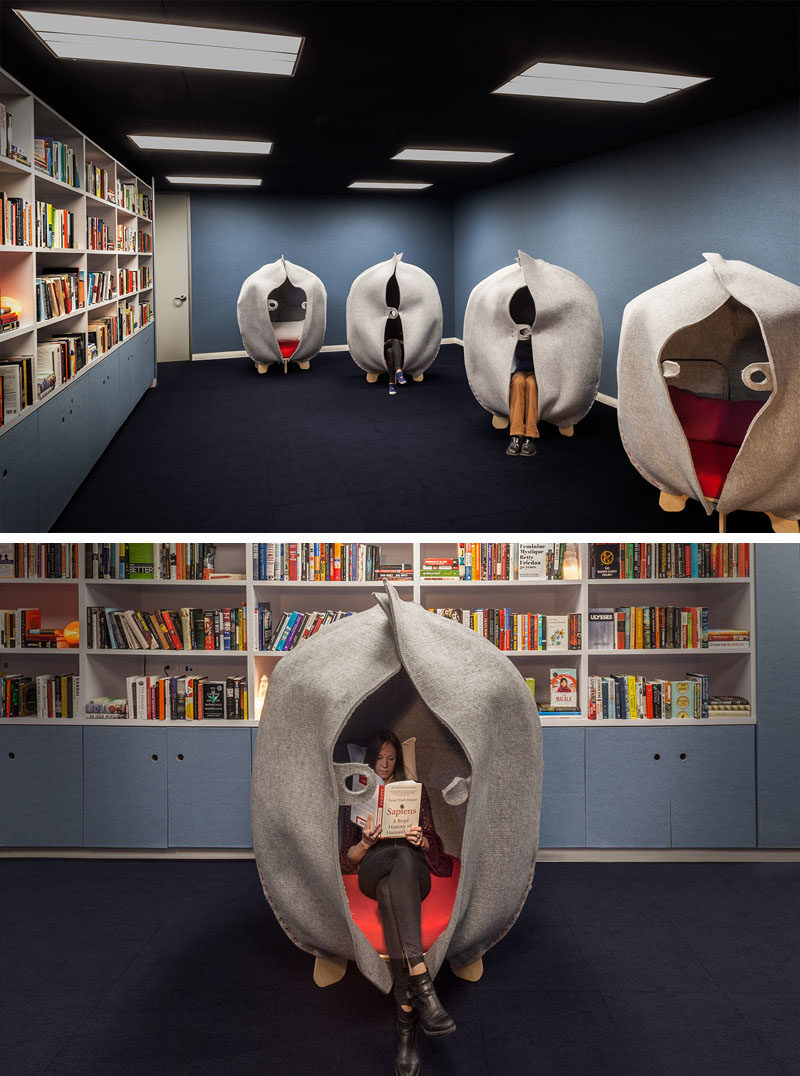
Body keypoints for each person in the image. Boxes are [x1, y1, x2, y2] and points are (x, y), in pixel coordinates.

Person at [340, 729, 455, 1075]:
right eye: (380, 759)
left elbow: (434, 847)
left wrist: (420, 841)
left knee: (400, 871)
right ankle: (422, 989)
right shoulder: (356, 792)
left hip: (410, 870)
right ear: (369, 759)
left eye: (391, 759)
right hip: (373, 866)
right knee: (391, 867)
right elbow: (348, 858)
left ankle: (406, 1018)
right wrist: (364, 842)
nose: (386, 765)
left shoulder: (413, 793)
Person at [507, 332, 539, 457]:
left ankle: (530, 436)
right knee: (518, 382)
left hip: (538, 373)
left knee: (531, 384)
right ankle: (516, 434)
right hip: (520, 370)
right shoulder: (516, 334)